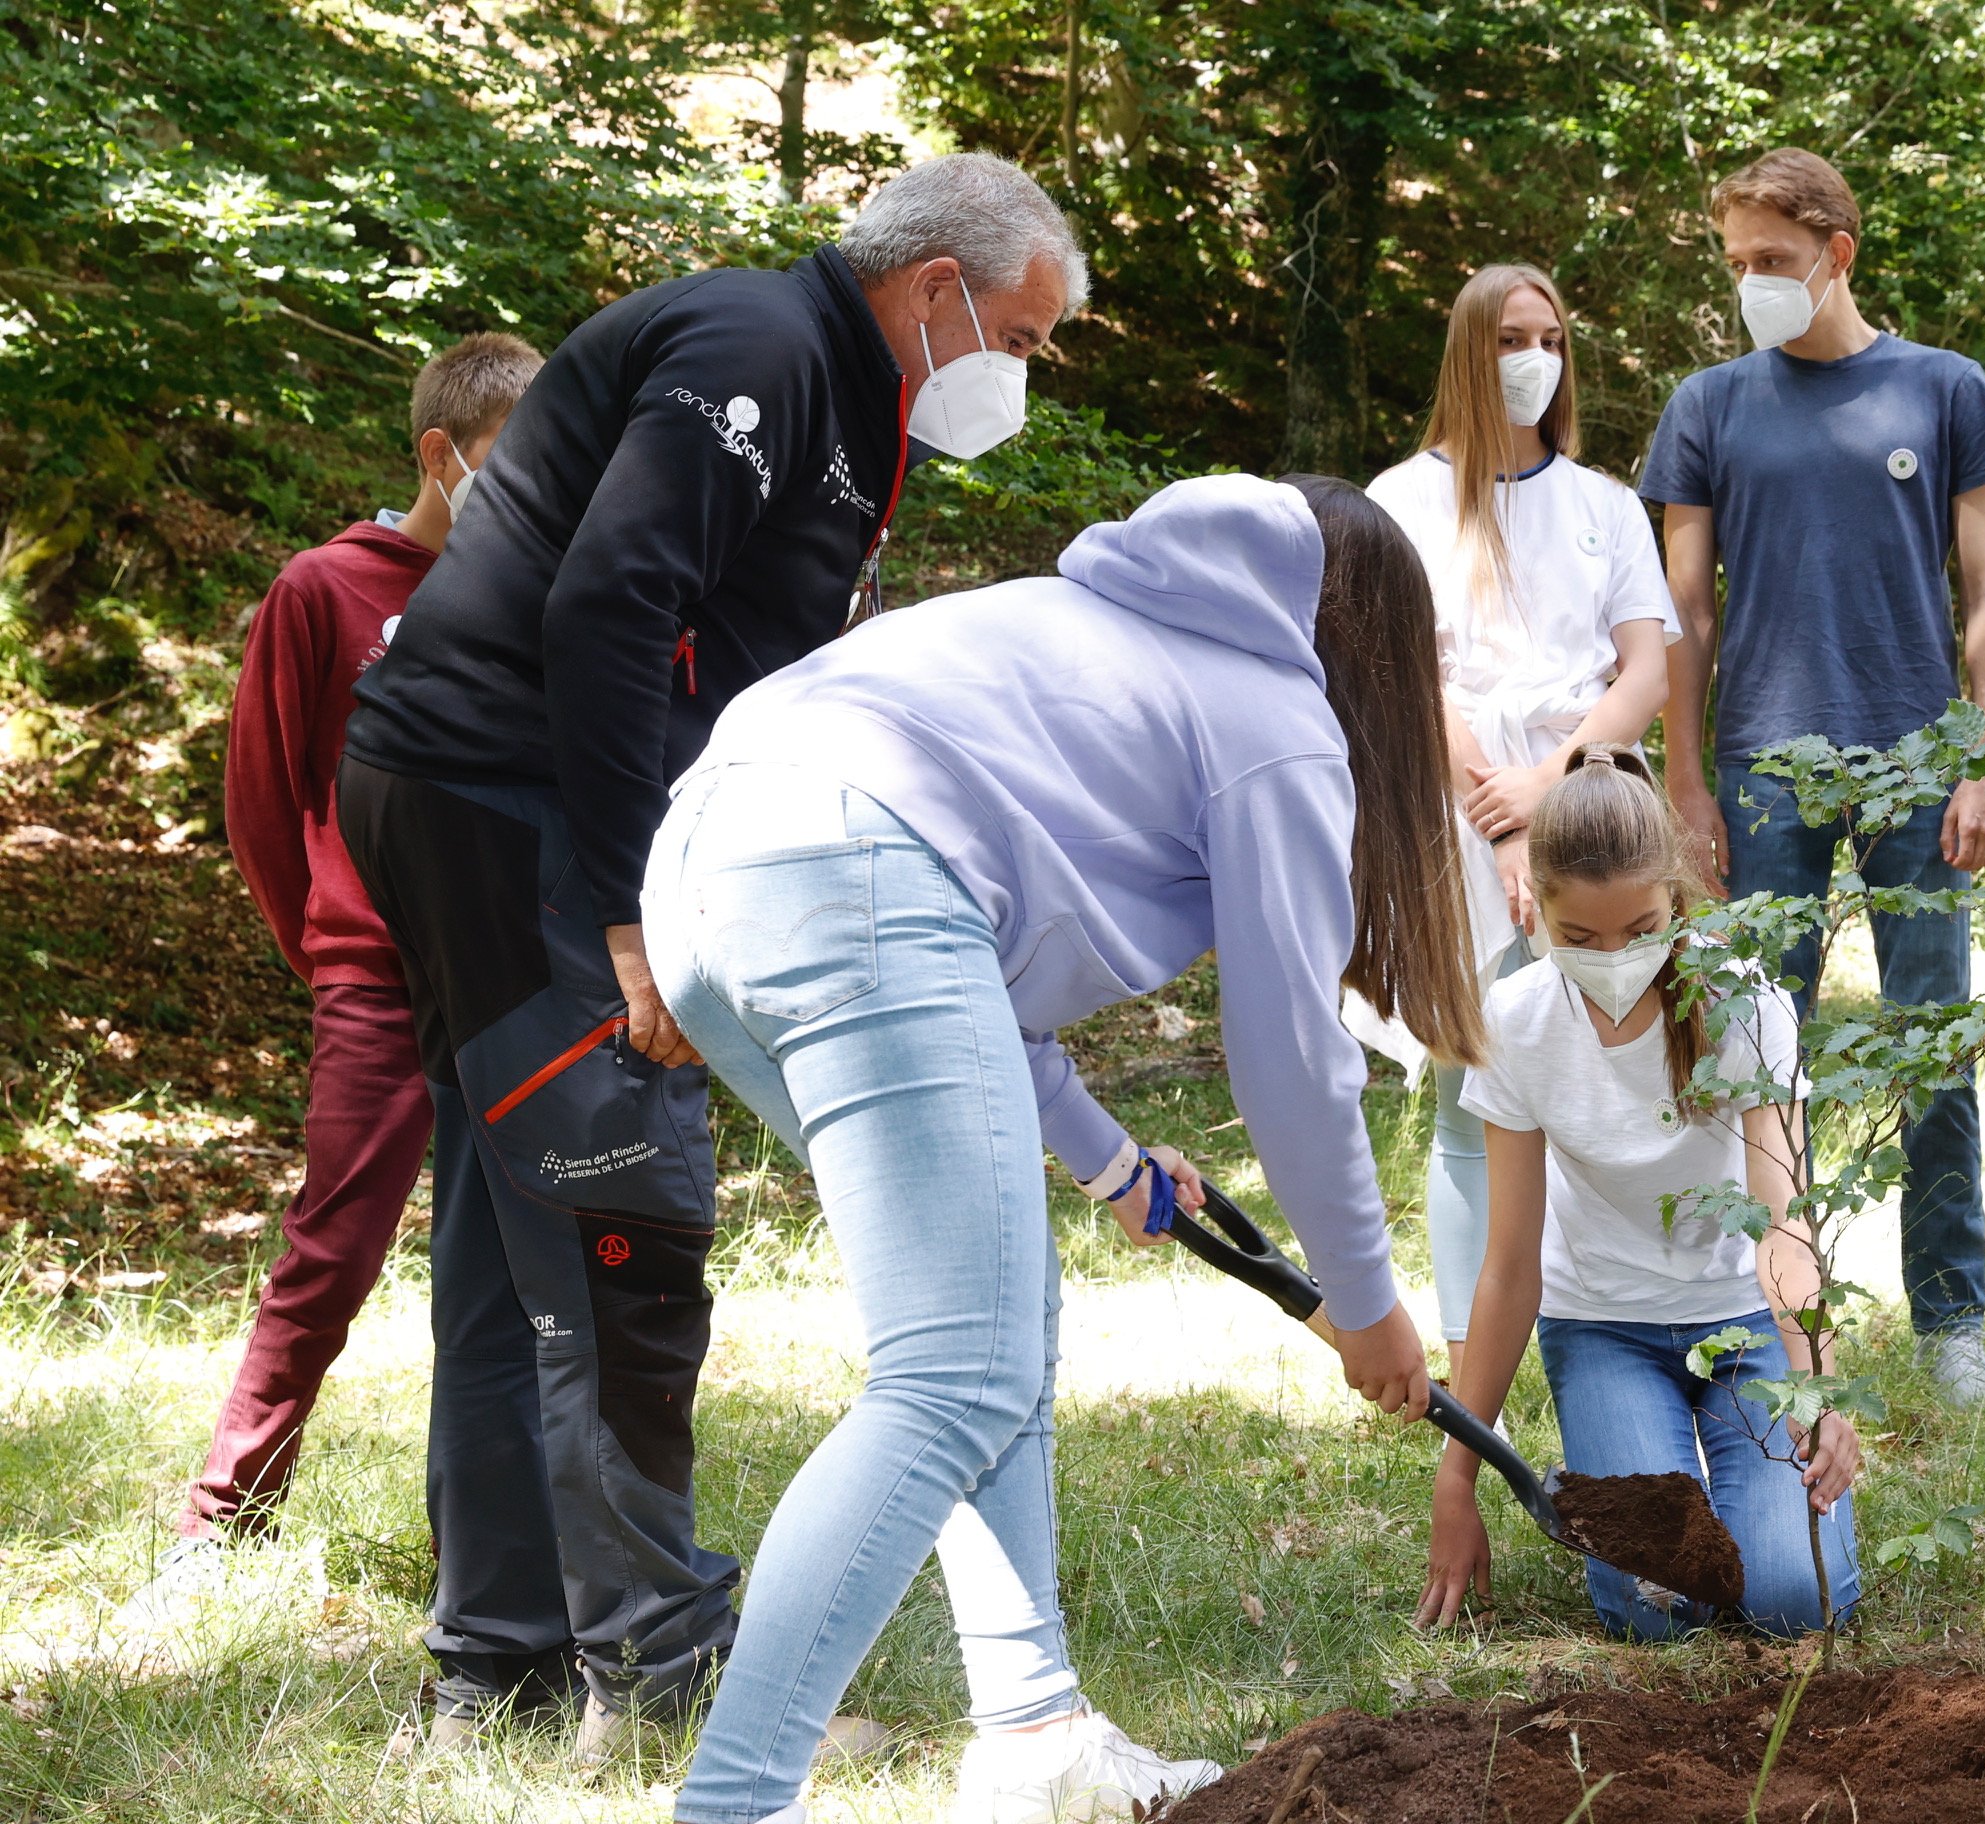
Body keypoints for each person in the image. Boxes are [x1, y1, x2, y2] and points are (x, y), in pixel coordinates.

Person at [334, 152, 1083, 1756]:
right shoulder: (762, 352)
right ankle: (666, 1675)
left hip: (479, 794)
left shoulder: (834, 391)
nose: (1017, 378)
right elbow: (610, 605)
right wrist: (627, 910)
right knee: (622, 1227)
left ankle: (499, 1667)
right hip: (505, 800)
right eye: (1020, 342)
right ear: (938, 288)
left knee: (510, 1234)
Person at [642, 471, 1481, 1824]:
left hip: (706, 876)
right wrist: (1368, 1309)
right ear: (1367, 633)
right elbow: (1291, 1061)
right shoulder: (1273, 721)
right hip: (845, 873)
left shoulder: (1081, 631)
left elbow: (974, 963)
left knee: (993, 1328)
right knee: (952, 1375)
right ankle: (731, 1808)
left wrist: (1106, 1162)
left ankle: (1035, 1734)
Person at [119, 335, 544, 1624]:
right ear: (440, 453)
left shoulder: (539, 590)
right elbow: (262, 798)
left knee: (523, 1272)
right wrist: (328, 941)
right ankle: (222, 1516)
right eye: (515, 465)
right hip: (373, 975)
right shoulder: (326, 588)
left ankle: (506, 1546)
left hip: (511, 972)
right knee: (334, 1246)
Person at [1640, 148, 1985, 1409]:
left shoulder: (1944, 390)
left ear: (1837, 255)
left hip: (1920, 758)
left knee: (1933, 1036)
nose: (1754, 282)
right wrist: (1686, 790)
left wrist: (1983, 762)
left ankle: (1951, 1326)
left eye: (1775, 261)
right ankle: (1765, 1309)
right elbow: (1684, 615)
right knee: (1757, 1046)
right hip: (1762, 761)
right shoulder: (1708, 406)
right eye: (1737, 263)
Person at [1416, 746, 1861, 1640]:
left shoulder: (1742, 1002)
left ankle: (1755, 1501)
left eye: (1642, 928)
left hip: (1742, 1322)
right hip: (1603, 1326)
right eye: (1581, 938)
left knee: (1789, 1601)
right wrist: (1457, 1477)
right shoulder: (1517, 1021)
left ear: (1675, 901)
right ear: (1537, 912)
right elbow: (1507, 1268)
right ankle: (1629, 1448)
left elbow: (1782, 1225)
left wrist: (1820, 1394)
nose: (1614, 958)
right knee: (1659, 1611)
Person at [1359, 262, 1675, 1389]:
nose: (1530, 359)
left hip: (1590, 799)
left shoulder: (1604, 504)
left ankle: (1619, 1323)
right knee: (1471, 1075)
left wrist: (1556, 778)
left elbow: (1643, 668)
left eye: (1548, 337)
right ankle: (1466, 1361)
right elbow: (1400, 666)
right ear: (1466, 353)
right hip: (1448, 806)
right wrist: (1498, 816)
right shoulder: (1402, 499)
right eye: (1506, 339)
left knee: (1623, 1052)